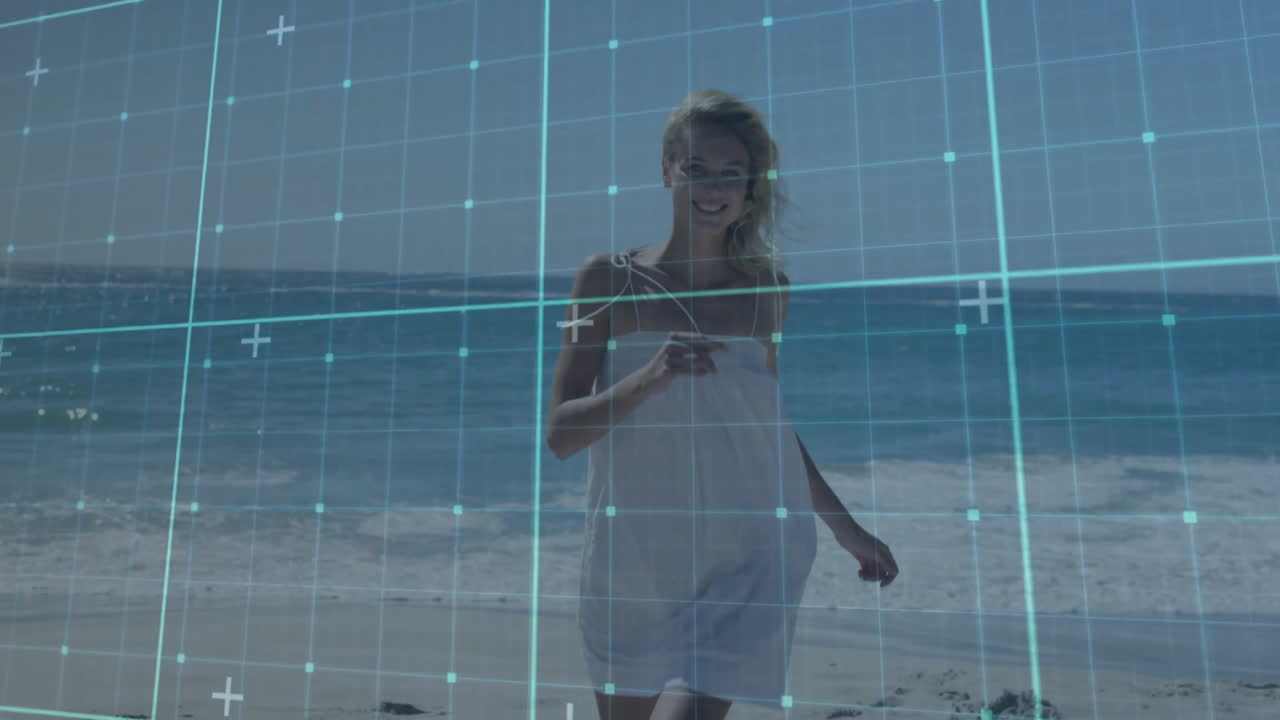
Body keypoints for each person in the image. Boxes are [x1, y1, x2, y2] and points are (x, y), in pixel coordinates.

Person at [545, 89, 899, 720]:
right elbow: (560, 434)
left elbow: (770, 429)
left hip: (748, 554)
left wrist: (848, 529)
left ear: (750, 184)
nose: (712, 187)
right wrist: (647, 379)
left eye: (730, 172)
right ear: (666, 171)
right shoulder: (602, 281)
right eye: (695, 168)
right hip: (635, 562)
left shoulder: (768, 293)